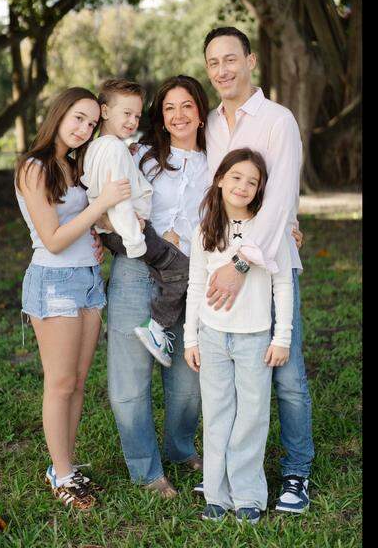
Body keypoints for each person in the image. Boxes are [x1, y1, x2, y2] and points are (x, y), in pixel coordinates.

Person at [200, 26, 315, 513]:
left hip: (267, 266)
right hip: (221, 262)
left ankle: (296, 470)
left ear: (250, 61)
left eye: (230, 59)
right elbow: (210, 192)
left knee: (285, 373)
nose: (222, 70)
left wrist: (241, 263)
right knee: (230, 383)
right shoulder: (210, 123)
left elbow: (281, 196)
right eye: (213, 63)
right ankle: (227, 474)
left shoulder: (277, 120)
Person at [15, 87, 132, 510]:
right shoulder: (33, 167)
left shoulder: (74, 165)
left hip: (88, 278)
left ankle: (64, 464)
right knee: (60, 382)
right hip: (54, 280)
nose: (84, 128)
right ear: (59, 115)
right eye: (77, 118)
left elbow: (81, 224)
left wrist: (95, 235)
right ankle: (62, 475)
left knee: (78, 382)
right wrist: (100, 206)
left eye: (91, 123)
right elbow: (52, 238)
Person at [103, 75, 210, 498]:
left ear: (201, 112)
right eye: (169, 108)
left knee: (188, 383)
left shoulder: (217, 160)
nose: (178, 115)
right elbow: (101, 194)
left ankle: (181, 449)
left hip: (190, 278)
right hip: (136, 271)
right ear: (160, 117)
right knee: (130, 382)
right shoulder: (138, 155)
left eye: (187, 106)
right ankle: (146, 471)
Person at [184, 148, 292, 524]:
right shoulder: (205, 230)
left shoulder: (269, 229)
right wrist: (190, 338)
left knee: (251, 416)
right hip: (212, 336)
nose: (243, 186)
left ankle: (247, 495)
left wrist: (282, 337)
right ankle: (216, 494)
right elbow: (196, 286)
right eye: (236, 177)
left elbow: (283, 285)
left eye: (252, 181)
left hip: (255, 338)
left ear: (260, 189)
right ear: (219, 180)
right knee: (217, 415)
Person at [82, 78, 191, 367]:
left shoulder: (101, 147)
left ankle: (120, 321)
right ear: (105, 111)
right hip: (129, 231)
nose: (132, 121)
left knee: (166, 267)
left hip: (115, 230)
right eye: (126, 113)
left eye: (137, 116)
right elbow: (118, 199)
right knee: (182, 268)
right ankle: (156, 327)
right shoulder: (115, 150)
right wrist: (135, 240)